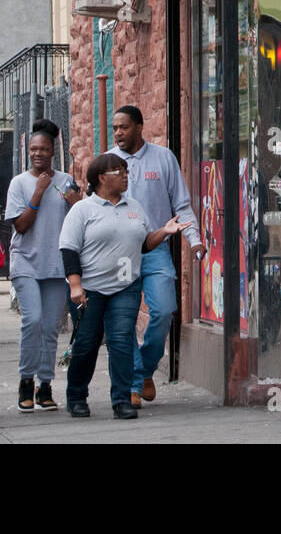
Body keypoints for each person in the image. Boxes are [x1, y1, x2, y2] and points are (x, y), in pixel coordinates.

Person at [60, 153, 183, 419]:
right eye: (120, 171)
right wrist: (75, 285)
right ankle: (77, 396)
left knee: (120, 343)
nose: (126, 175)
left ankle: (122, 399)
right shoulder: (83, 209)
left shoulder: (134, 207)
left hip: (125, 286)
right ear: (102, 178)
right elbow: (69, 249)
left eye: (127, 170)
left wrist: (163, 231)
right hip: (89, 289)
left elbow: (143, 244)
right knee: (87, 343)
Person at [108, 105, 204, 408]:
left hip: (156, 249)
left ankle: (144, 370)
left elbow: (182, 204)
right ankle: (134, 385)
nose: (118, 133)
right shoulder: (109, 162)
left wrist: (195, 240)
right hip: (121, 253)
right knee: (123, 321)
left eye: (124, 127)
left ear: (139, 126)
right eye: (115, 128)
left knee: (164, 311)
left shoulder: (163, 158)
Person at [5, 119, 82, 414]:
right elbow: (21, 226)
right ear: (28, 152)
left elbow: (80, 221)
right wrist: (38, 192)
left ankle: (45, 385)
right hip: (26, 262)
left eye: (44, 149)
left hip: (56, 265)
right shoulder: (19, 183)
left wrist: (75, 202)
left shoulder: (65, 181)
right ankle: (26, 380)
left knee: (51, 327)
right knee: (32, 320)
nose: (38, 153)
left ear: (52, 151)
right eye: (34, 149)